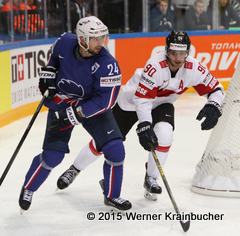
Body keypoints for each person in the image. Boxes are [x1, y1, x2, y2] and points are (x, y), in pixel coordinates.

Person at [57, 31, 224, 201]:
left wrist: (214, 104)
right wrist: (145, 125)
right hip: (132, 102)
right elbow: (143, 100)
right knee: (104, 141)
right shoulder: (155, 66)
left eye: (182, 53)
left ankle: (151, 178)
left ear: (188, 52)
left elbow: (216, 89)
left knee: (165, 135)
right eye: (174, 52)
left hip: (161, 104)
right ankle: (75, 168)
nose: (178, 58)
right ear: (167, 50)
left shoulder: (194, 67)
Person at [18, 16, 132, 213]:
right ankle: (28, 188)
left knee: (115, 149)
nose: (101, 43)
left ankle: (112, 195)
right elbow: (54, 57)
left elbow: (105, 101)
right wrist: (50, 72)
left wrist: (74, 114)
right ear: (81, 40)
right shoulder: (64, 42)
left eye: (102, 38)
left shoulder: (107, 64)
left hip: (91, 106)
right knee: (52, 157)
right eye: (95, 39)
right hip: (61, 101)